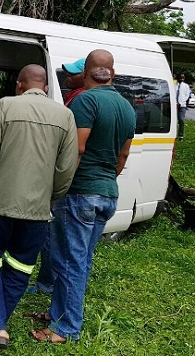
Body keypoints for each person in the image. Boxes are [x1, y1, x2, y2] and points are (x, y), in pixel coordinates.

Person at [0, 64, 78, 353]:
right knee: (19, 269)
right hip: (37, 213)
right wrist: (47, 198)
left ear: (19, 85)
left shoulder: (5, 107)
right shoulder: (65, 115)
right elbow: (66, 169)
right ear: (47, 88)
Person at [29, 49, 136, 344]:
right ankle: (57, 313)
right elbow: (123, 154)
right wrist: (104, 181)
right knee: (80, 260)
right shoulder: (127, 106)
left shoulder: (86, 100)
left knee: (69, 261)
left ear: (87, 72)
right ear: (111, 72)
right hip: (106, 195)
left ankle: (66, 329)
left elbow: (76, 149)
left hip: (80, 194)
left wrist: (60, 186)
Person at [27, 57, 87, 295]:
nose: (67, 76)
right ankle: (50, 283)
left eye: (73, 73)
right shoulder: (73, 98)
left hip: (70, 180)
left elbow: (75, 147)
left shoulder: (81, 101)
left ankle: (49, 285)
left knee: (55, 237)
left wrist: (60, 178)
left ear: (88, 74)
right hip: (76, 180)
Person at [176, 73, 191, 140]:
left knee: (181, 120)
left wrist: (180, 103)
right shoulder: (174, 85)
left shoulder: (186, 86)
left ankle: (181, 135)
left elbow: (187, 96)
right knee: (174, 121)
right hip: (174, 105)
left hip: (182, 106)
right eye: (180, 77)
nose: (181, 79)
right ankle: (173, 135)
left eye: (182, 78)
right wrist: (175, 103)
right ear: (177, 78)